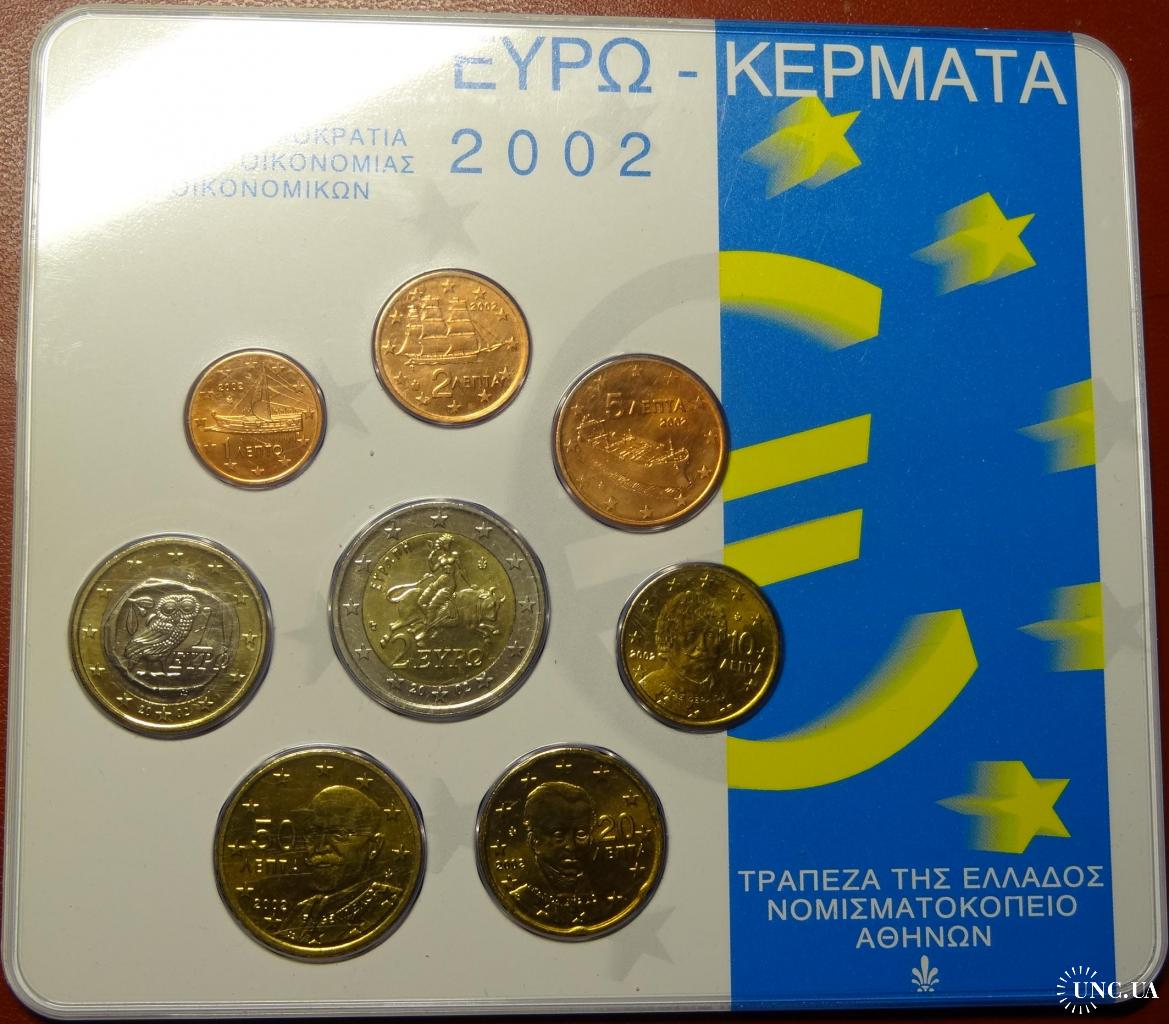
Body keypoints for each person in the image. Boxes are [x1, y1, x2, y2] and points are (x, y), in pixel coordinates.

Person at [276, 785, 402, 947]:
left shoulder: (387, 905)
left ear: (374, 846)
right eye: (314, 833)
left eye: (339, 834)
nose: (321, 847)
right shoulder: (302, 911)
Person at [507, 781, 601, 927]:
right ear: (533, 841)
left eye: (581, 834)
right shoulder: (522, 898)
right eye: (559, 835)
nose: (571, 846)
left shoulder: (605, 893)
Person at [638, 589, 727, 716]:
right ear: (668, 638)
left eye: (710, 635)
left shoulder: (731, 689)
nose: (702, 646)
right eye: (691, 635)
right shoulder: (648, 686)